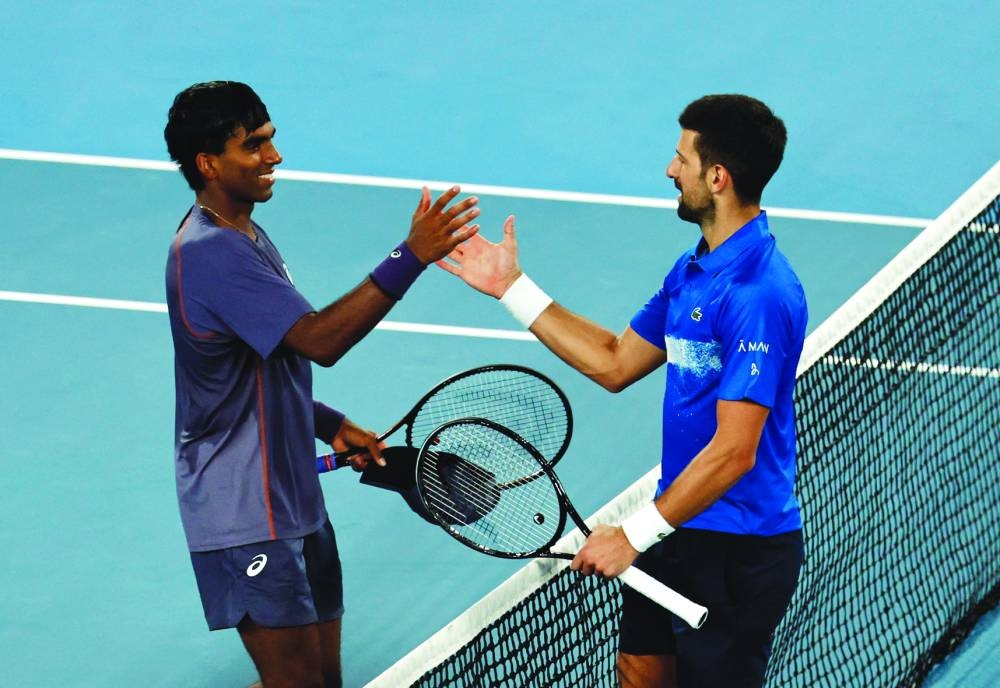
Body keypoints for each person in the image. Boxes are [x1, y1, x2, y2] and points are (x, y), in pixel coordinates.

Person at [438, 94, 806, 688]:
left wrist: (633, 536)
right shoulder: (695, 270)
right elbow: (615, 362)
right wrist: (513, 289)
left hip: (737, 548)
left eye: (680, 157)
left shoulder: (757, 294)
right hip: (676, 521)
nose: (669, 170)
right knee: (638, 675)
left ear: (717, 177)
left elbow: (736, 451)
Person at [163, 81, 480, 688]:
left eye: (271, 140)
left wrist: (330, 424)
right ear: (208, 163)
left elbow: (255, 373)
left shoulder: (245, 236)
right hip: (243, 512)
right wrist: (409, 255)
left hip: (294, 504)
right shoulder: (209, 253)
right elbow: (320, 340)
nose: (273, 156)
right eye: (253, 145)